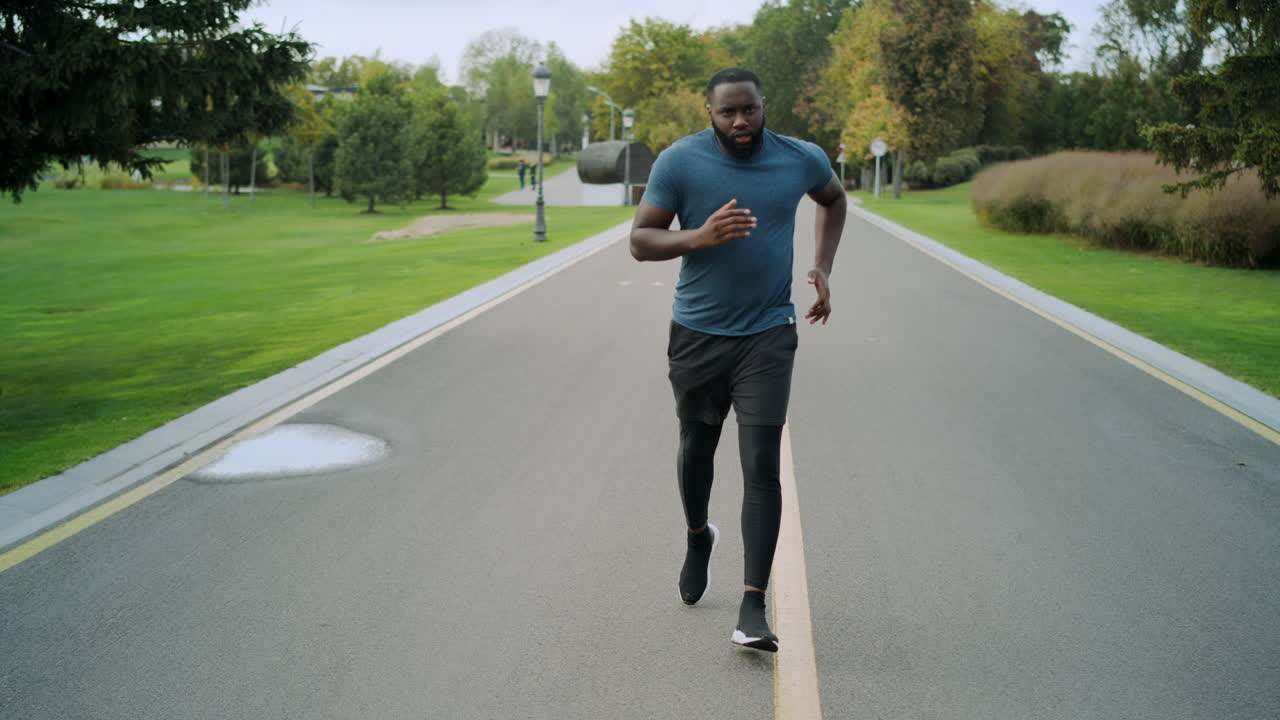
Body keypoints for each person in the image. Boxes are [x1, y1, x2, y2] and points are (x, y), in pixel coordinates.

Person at [629, 68, 847, 653]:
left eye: (748, 109)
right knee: (697, 448)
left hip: (768, 334)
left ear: (763, 104)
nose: (740, 122)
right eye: (727, 113)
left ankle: (753, 606)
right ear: (710, 113)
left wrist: (823, 266)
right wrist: (698, 237)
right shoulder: (680, 162)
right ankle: (699, 535)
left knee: (760, 464)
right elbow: (641, 241)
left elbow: (833, 198)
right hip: (698, 334)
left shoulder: (800, 158)